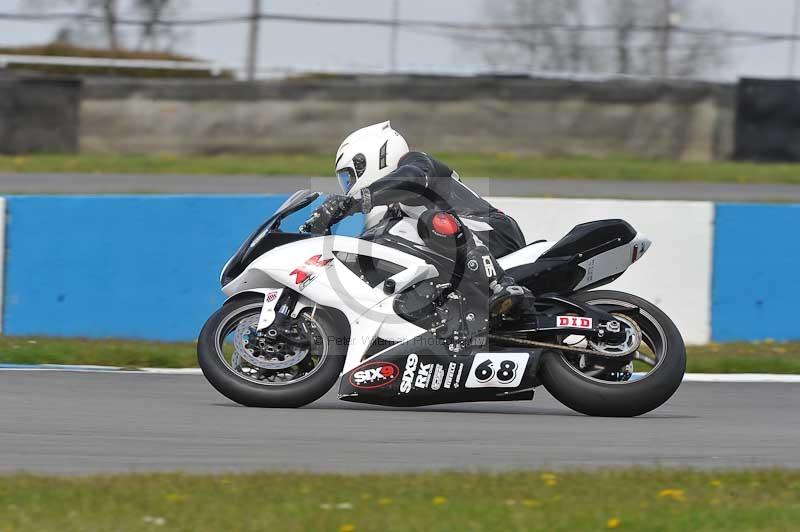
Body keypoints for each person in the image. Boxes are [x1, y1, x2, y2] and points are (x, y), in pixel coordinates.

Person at [299, 121, 532, 318]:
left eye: (349, 177)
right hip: (463, 249)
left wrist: (353, 202)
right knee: (380, 241)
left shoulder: (416, 164)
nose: (348, 186)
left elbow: (412, 181)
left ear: (370, 159)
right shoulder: (394, 210)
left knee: (428, 221)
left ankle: (499, 284)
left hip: (493, 230)